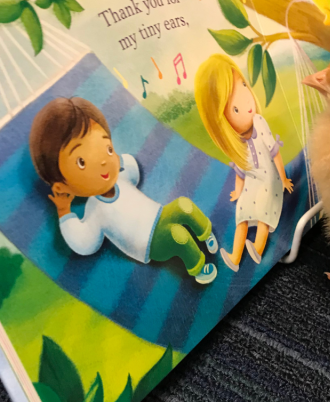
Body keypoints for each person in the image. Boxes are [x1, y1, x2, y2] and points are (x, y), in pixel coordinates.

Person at [29, 96, 219, 284]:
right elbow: (85, 244)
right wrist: (64, 212)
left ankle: (205, 234)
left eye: (107, 148)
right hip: (149, 243)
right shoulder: (96, 210)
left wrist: (118, 159)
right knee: (178, 236)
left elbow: (132, 171)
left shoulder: (120, 178)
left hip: (160, 215)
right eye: (82, 162)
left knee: (183, 206)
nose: (103, 161)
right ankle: (199, 268)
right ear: (62, 185)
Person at [195, 54, 294, 271]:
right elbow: (241, 171)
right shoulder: (236, 143)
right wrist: (238, 190)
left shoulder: (259, 123)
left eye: (244, 85)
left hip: (269, 180)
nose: (247, 105)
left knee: (263, 210)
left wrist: (284, 177)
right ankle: (235, 256)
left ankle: (258, 249)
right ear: (222, 123)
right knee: (242, 211)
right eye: (235, 109)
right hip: (252, 182)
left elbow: (274, 152)